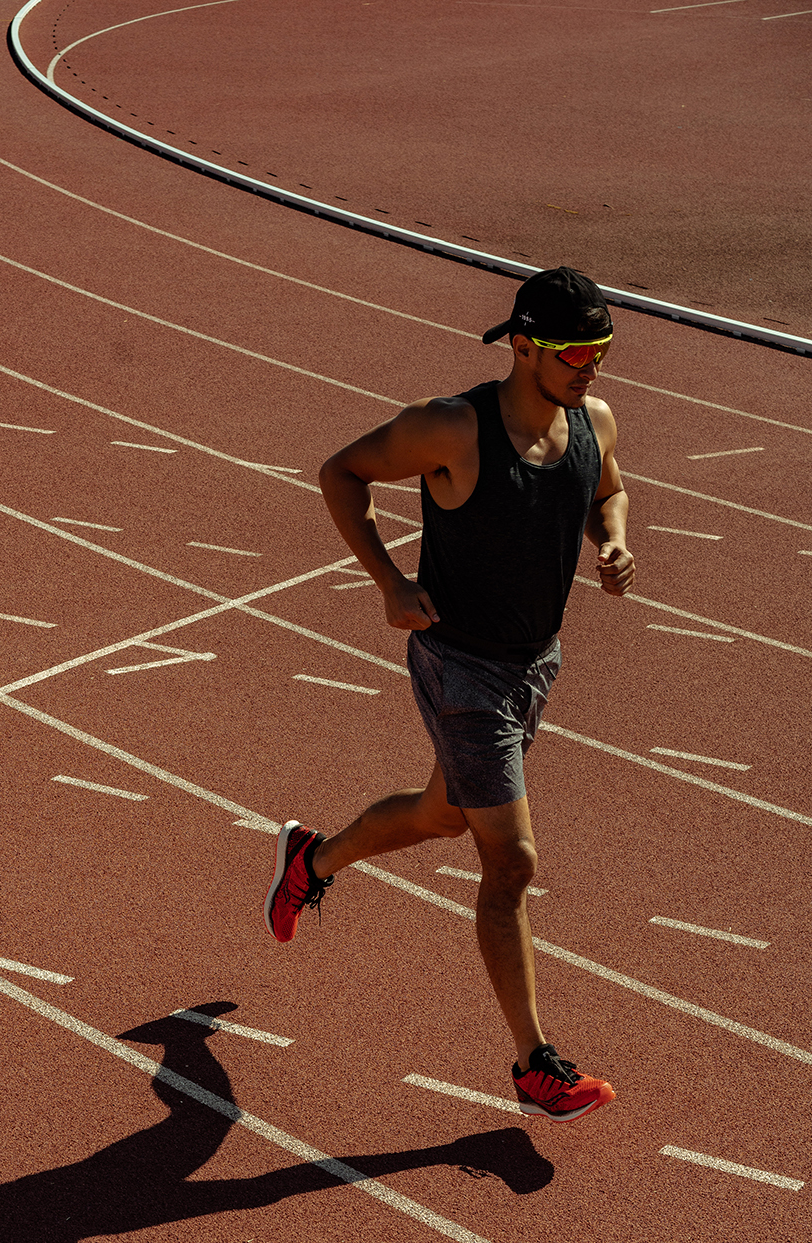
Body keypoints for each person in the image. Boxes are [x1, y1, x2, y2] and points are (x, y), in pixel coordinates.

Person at [264, 266, 634, 1122]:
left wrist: (613, 543)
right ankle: (535, 1066)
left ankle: (309, 860)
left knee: (440, 815)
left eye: (604, 349)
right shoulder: (454, 428)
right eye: (578, 350)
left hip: (533, 664)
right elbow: (341, 473)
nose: (593, 366)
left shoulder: (594, 422)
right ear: (522, 345)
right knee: (510, 861)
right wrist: (388, 580)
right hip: (459, 667)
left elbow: (609, 488)